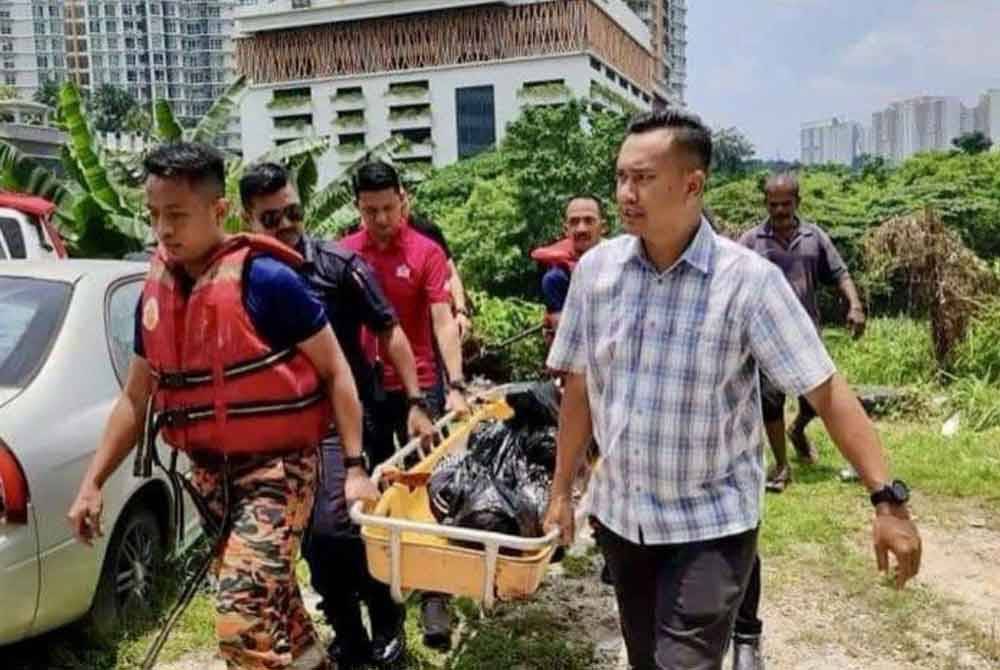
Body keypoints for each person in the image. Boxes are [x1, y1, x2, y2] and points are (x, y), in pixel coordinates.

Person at [542, 111, 922, 670]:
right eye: (621, 177)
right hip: (623, 517)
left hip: (711, 524)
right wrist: (559, 493)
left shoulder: (747, 282)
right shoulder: (596, 274)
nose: (626, 193)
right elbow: (579, 387)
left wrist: (887, 500)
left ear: (692, 184)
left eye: (643, 178)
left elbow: (825, 389)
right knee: (646, 660)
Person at [67, 142, 378, 670]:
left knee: (242, 620)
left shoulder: (268, 280)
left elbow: (335, 370)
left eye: (177, 215)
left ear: (218, 211)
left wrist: (353, 468)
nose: (163, 230)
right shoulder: (155, 292)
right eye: (155, 215)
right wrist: (93, 482)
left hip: (280, 471)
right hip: (211, 478)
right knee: (278, 610)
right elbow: (135, 397)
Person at [239, 162, 435, 669]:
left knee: (337, 528)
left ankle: (386, 618)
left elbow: (389, 330)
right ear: (247, 218)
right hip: (279, 428)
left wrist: (415, 400)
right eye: (271, 218)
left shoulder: (337, 265)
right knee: (310, 540)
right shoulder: (241, 276)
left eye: (293, 213)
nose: (286, 225)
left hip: (340, 420)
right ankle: (348, 632)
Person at [341, 160, 469, 650]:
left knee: (433, 490)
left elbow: (441, 321)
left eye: (388, 208)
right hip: (364, 392)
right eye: (370, 210)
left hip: (423, 388)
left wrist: (455, 384)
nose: (380, 219)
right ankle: (385, 603)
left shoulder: (426, 252)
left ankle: (436, 597)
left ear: (404, 201)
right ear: (358, 208)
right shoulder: (345, 254)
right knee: (373, 495)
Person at [738, 174, 867, 493]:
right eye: (773, 204)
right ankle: (781, 466)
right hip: (765, 333)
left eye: (786, 203)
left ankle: (798, 429)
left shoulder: (814, 237)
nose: (780, 210)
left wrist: (854, 304)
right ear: (765, 203)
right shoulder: (752, 240)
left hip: (806, 332)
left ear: (798, 202)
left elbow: (840, 272)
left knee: (816, 399)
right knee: (771, 401)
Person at [531, 195, 607, 344]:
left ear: (603, 227)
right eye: (574, 222)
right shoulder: (556, 279)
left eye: (589, 221)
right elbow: (566, 340)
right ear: (566, 230)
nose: (581, 228)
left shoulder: (624, 264)